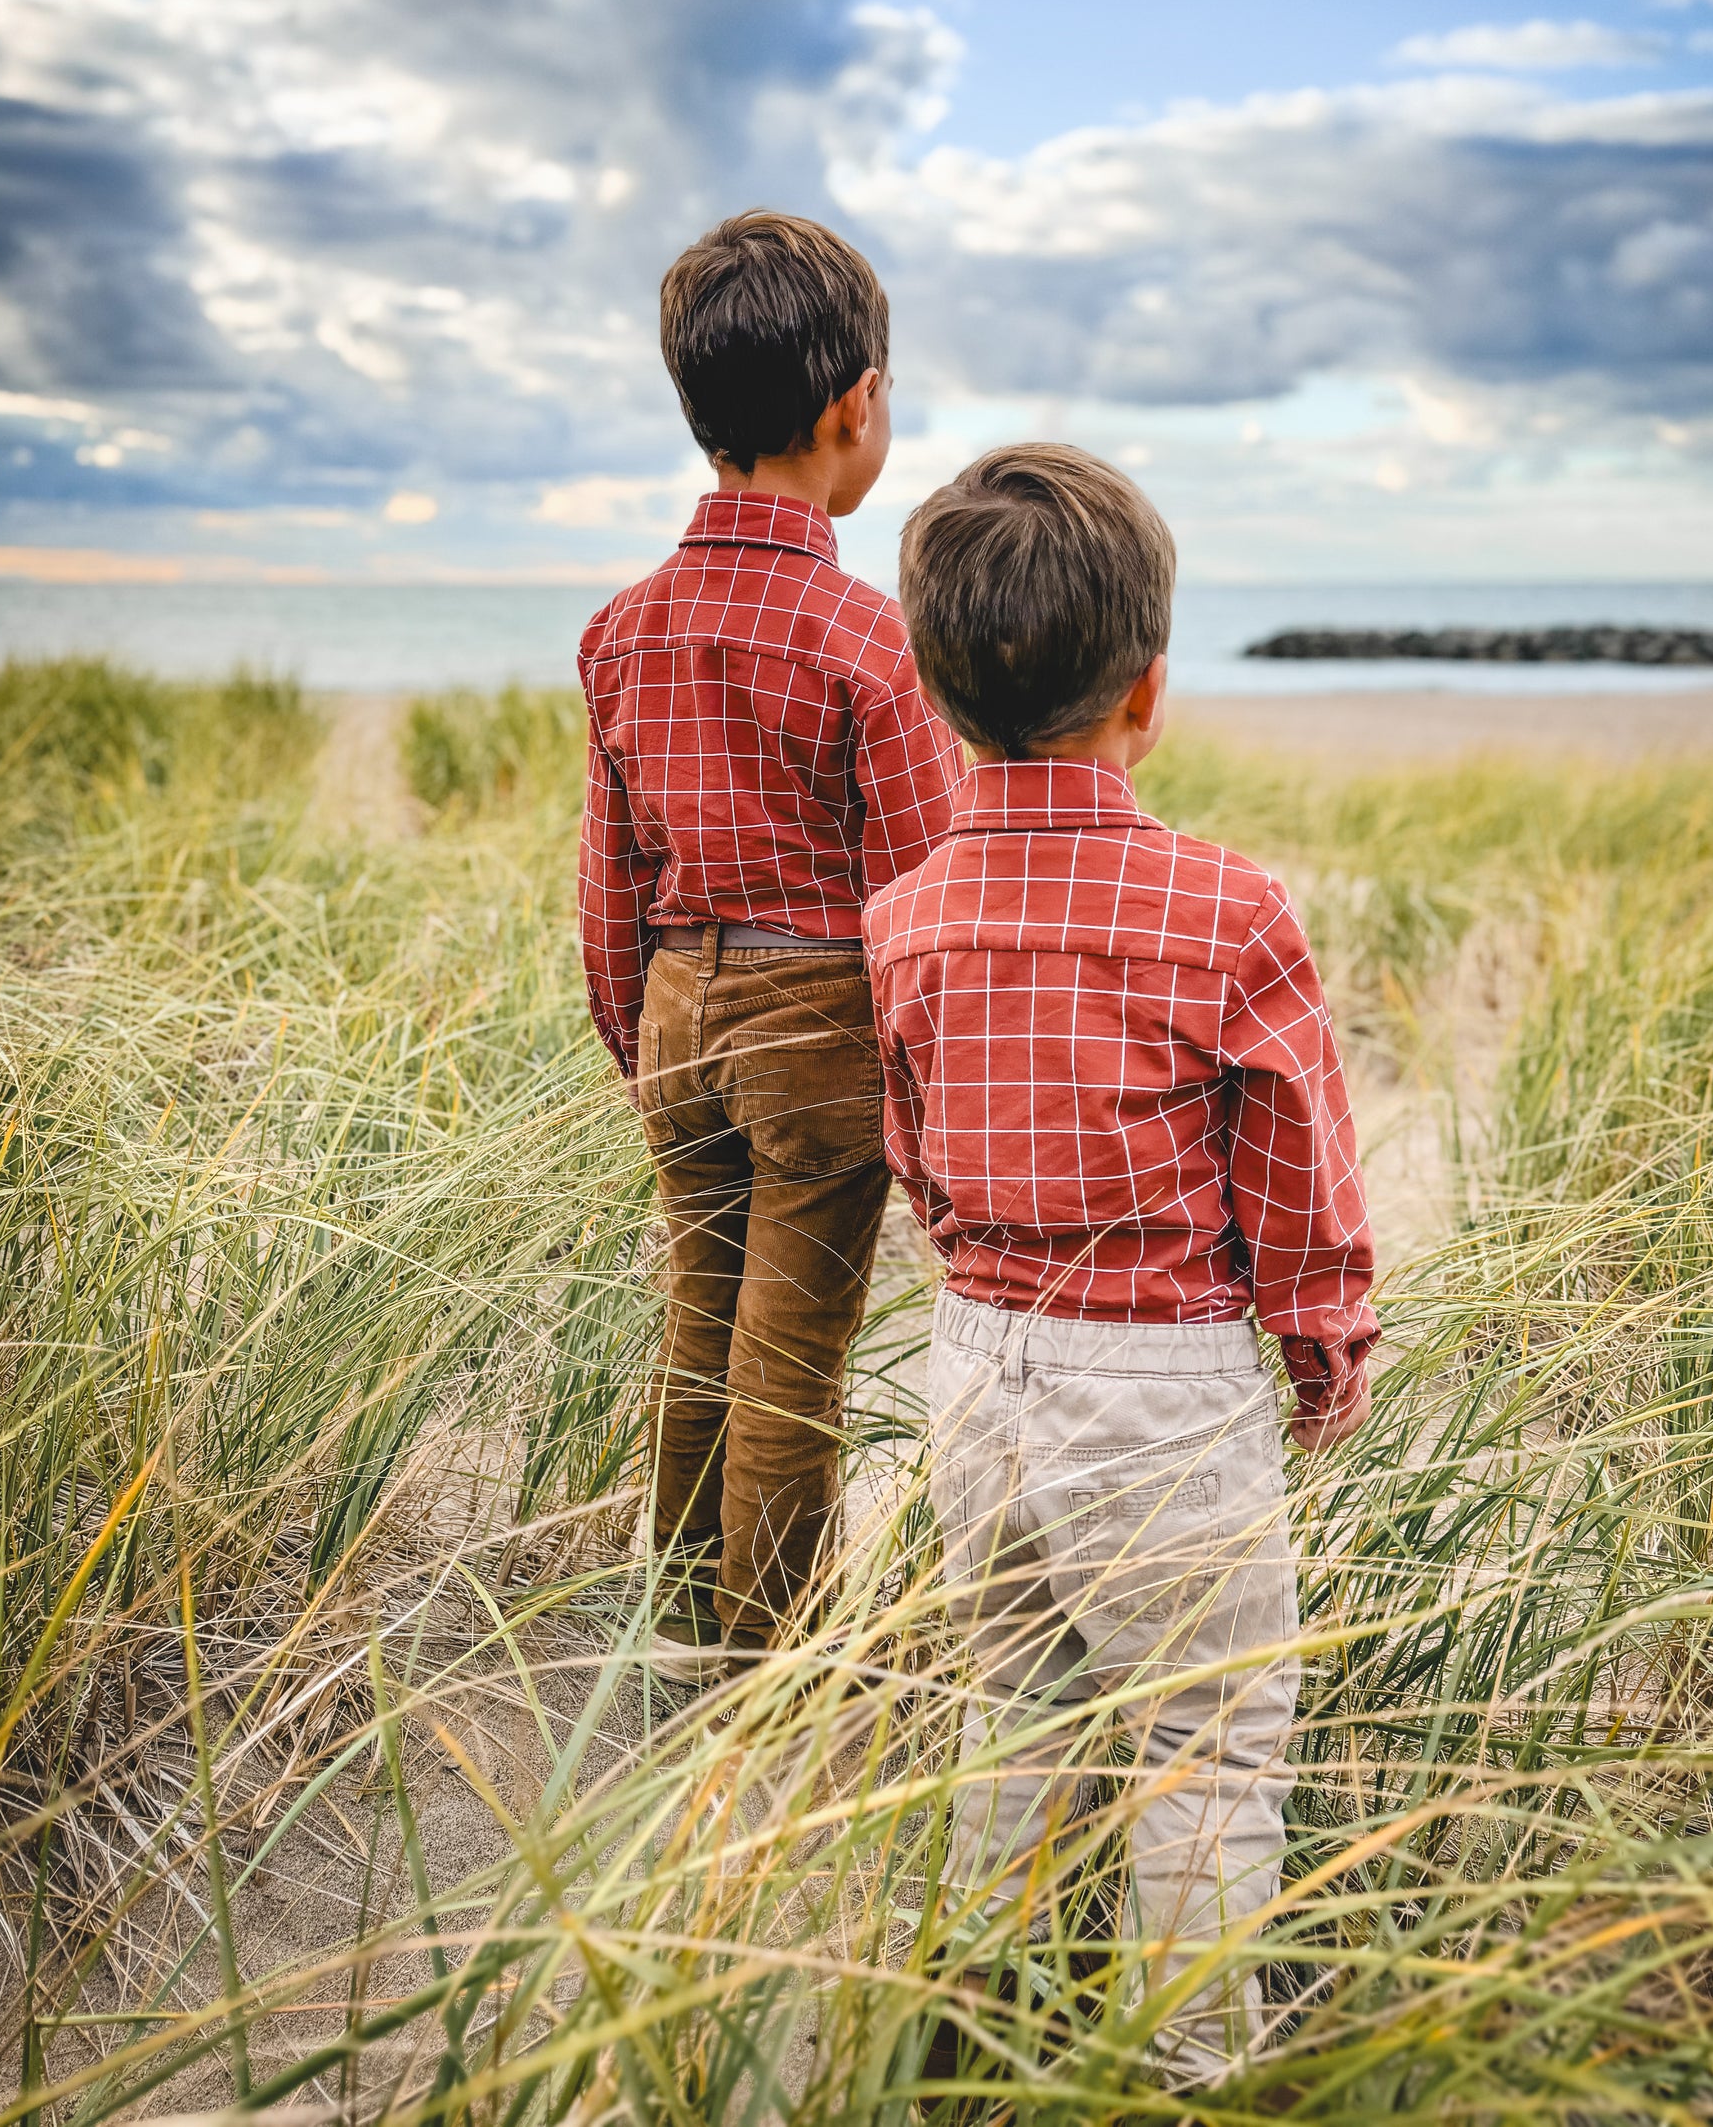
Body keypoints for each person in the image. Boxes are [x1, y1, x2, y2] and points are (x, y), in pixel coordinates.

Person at [861, 444, 1378, 2085]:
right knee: (1205, 1740)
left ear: (939, 696)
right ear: (1146, 689)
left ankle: (985, 2032)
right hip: (1156, 1386)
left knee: (1009, 1703)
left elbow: (916, 1149)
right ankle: (1188, 2066)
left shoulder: (907, 913)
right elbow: (1296, 1172)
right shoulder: (1226, 912)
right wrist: (1323, 1345)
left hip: (974, 1362)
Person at [579, 210, 962, 1685]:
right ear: (852, 407)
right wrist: (921, 1094)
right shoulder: (869, 640)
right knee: (788, 1357)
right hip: (818, 1025)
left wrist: (647, 1043)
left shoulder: (625, 632)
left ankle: (682, 1622)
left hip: (678, 1003)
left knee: (701, 1316)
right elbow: (918, 897)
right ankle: (772, 1658)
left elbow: (609, 886)